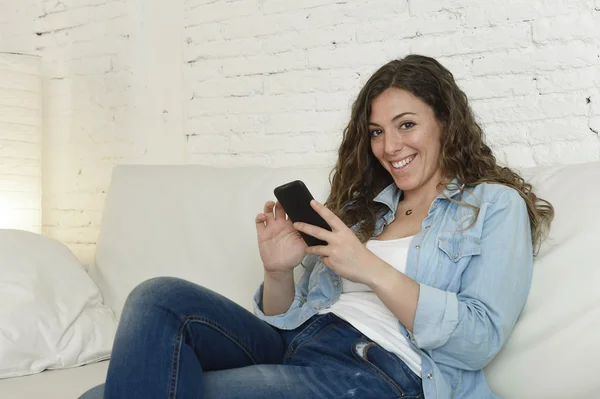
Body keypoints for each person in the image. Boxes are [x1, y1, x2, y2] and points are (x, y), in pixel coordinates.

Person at [80, 54, 554, 399]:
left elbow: (478, 342)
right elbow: (290, 317)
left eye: (406, 125)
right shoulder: (362, 210)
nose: (390, 147)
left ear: (445, 124)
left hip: (377, 370)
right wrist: (278, 272)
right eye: (376, 132)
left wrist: (367, 265)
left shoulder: (494, 207)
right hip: (297, 345)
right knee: (157, 297)